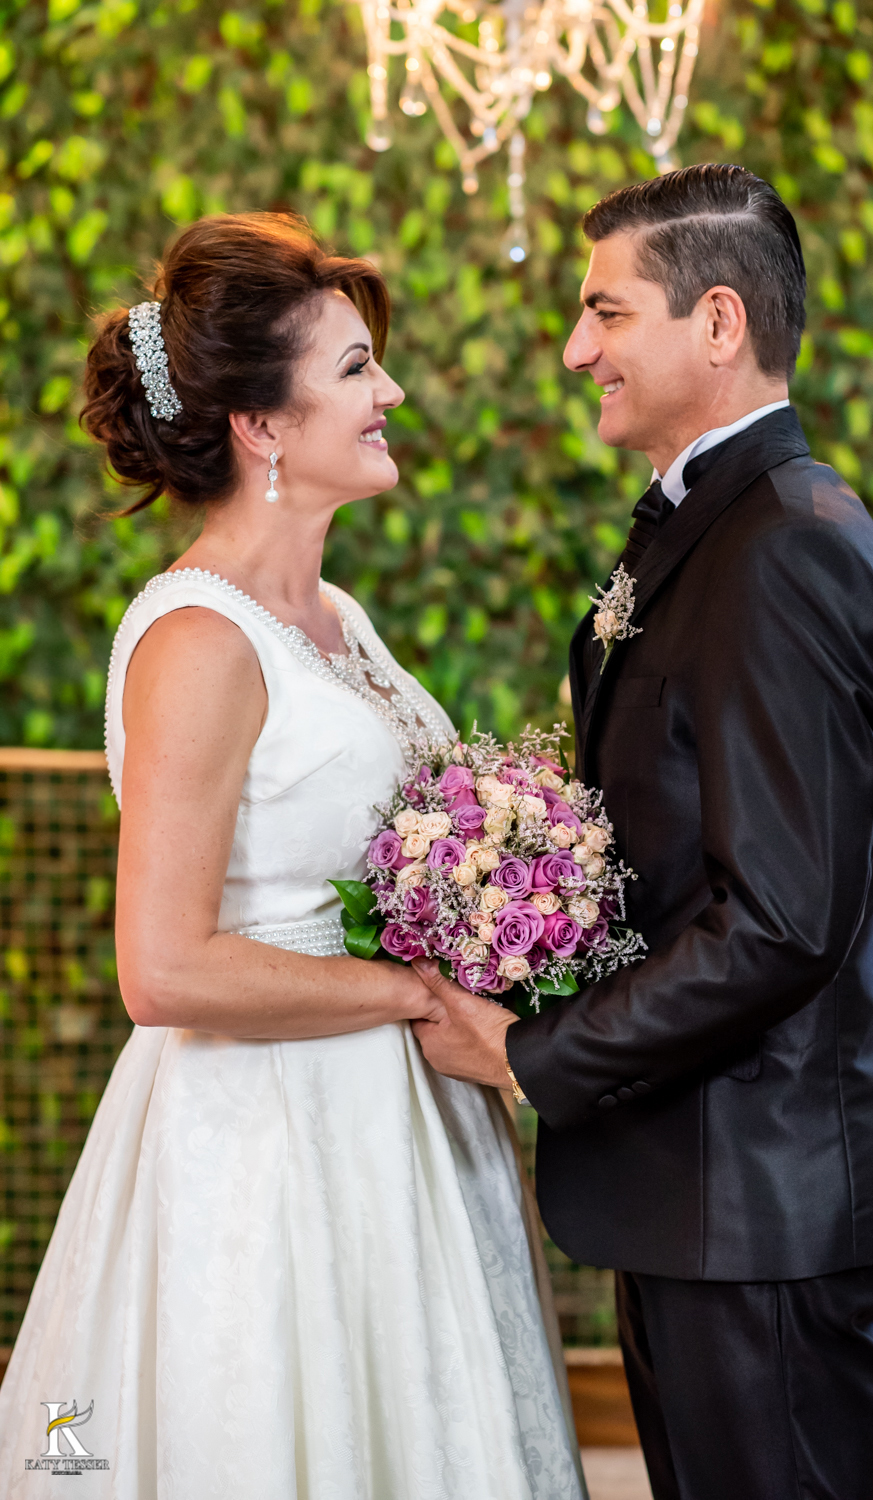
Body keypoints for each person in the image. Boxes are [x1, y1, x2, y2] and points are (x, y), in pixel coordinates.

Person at [0, 212, 585, 1500]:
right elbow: (161, 969)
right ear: (260, 427)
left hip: (404, 1133)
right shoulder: (198, 643)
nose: (391, 395)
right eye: (356, 370)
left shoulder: (337, 617)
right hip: (264, 1145)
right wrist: (419, 993)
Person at [413, 164, 873, 1500]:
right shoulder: (705, 528)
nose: (572, 347)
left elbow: (778, 923)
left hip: (757, 1198)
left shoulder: (784, 550)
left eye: (603, 312)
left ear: (716, 324)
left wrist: (535, 1049)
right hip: (701, 1189)